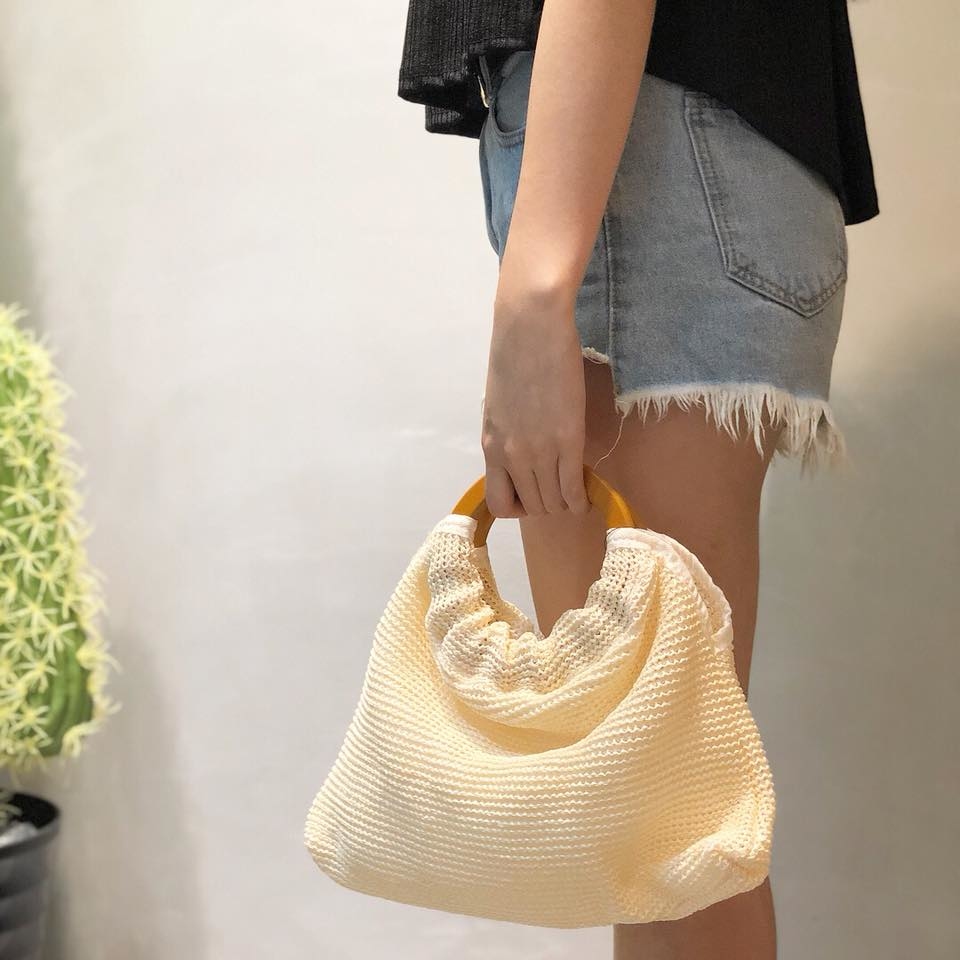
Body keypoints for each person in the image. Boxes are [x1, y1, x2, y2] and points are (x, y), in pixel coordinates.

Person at [397, 1, 879, 957]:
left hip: (644, 169)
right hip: (665, 155)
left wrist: (539, 285)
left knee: (668, 824)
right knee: (652, 831)